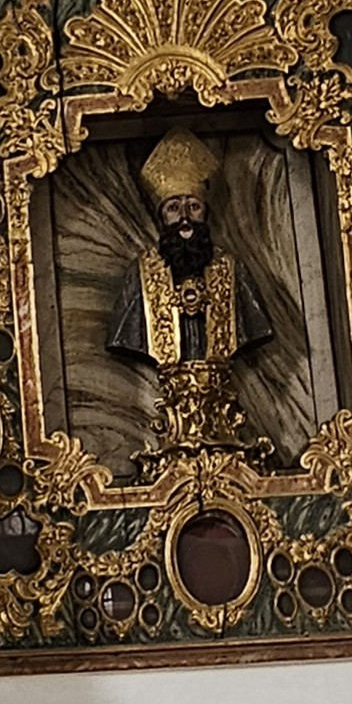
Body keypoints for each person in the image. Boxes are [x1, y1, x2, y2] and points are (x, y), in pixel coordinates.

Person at [106, 124, 271, 461]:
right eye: (173, 208)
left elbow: (255, 326)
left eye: (193, 206)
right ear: (161, 217)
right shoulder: (140, 274)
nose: (184, 218)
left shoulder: (231, 269)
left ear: (206, 211)